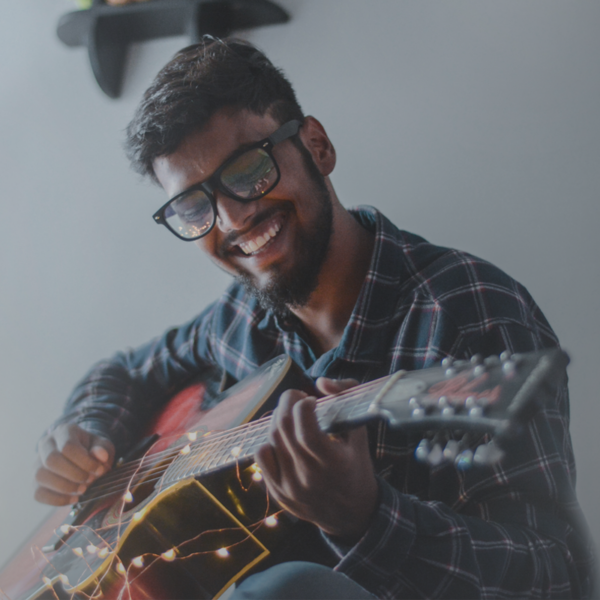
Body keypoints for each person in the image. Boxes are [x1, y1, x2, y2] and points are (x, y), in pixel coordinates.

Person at [34, 37, 595, 599]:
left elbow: (556, 576)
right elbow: (127, 370)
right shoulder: (241, 318)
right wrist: (87, 430)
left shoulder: (471, 313)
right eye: (193, 206)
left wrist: (368, 519)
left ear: (317, 147)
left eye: (248, 170)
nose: (231, 219)